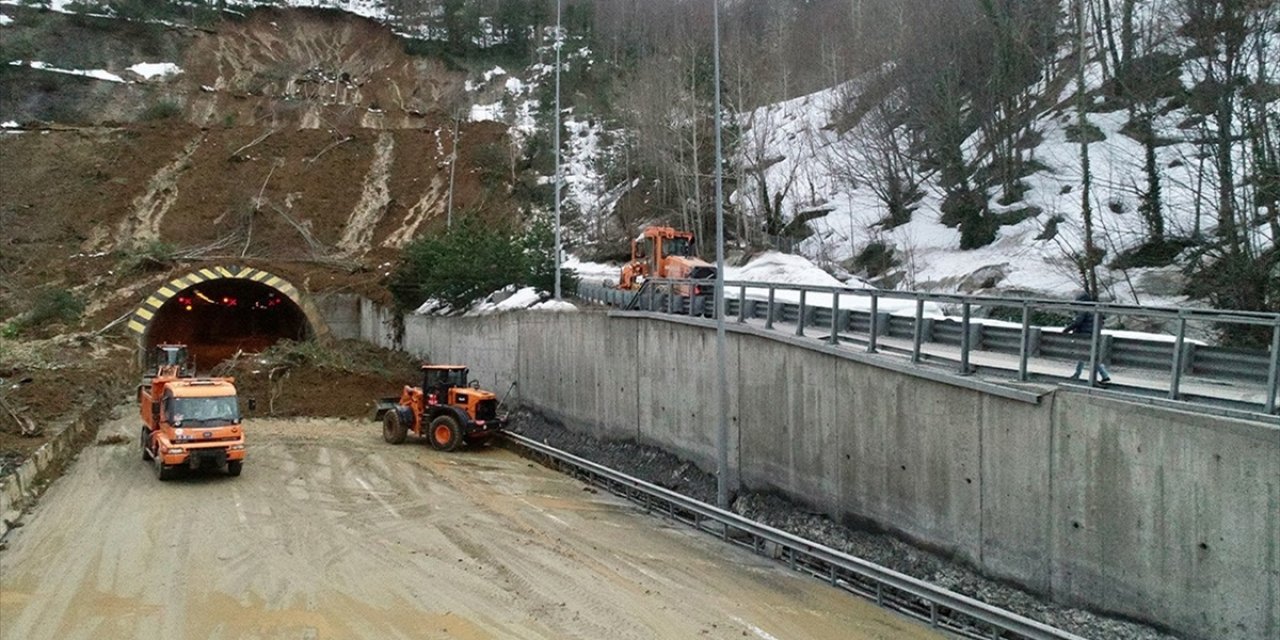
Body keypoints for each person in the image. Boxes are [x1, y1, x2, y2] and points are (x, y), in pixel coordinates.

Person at [1064, 292, 1111, 383]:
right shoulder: (1095, 308)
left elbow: (1078, 322)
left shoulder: (1084, 309)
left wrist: (1066, 330)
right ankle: (1078, 374)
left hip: (1085, 335)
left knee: (1088, 355)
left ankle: (1104, 375)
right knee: (1086, 355)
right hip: (1094, 334)